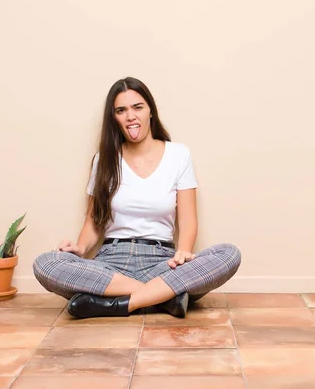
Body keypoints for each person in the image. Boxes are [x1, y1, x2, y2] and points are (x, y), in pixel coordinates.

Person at [33, 77, 241, 318]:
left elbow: (188, 220)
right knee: (46, 263)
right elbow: (93, 221)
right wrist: (78, 248)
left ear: (150, 111)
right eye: (121, 110)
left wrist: (183, 251)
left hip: (163, 263)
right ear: (114, 118)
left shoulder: (178, 155)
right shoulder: (105, 159)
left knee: (229, 253)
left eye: (137, 107)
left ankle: (118, 304)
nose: (130, 116)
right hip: (111, 265)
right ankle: (163, 298)